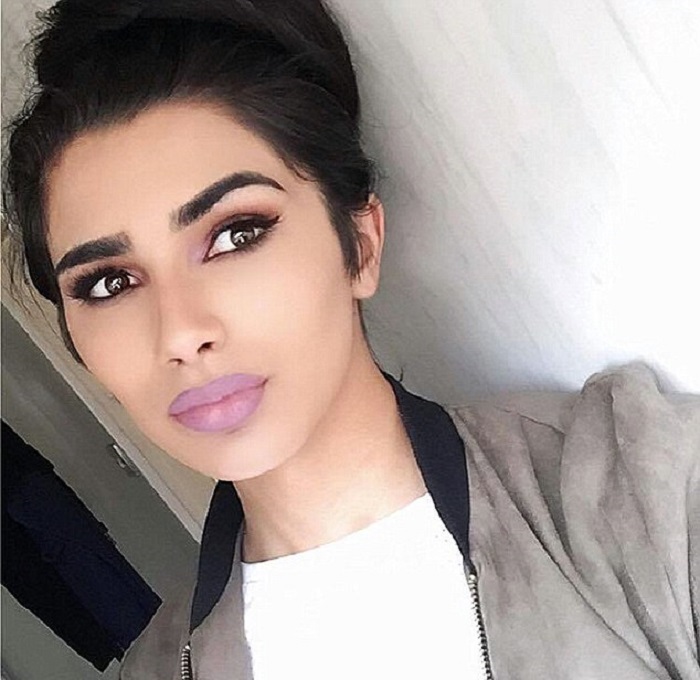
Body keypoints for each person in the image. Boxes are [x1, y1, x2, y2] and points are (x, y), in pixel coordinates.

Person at [3, 1, 698, 679]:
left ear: (360, 246)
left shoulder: (638, 496)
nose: (181, 331)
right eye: (109, 284)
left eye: (236, 235)